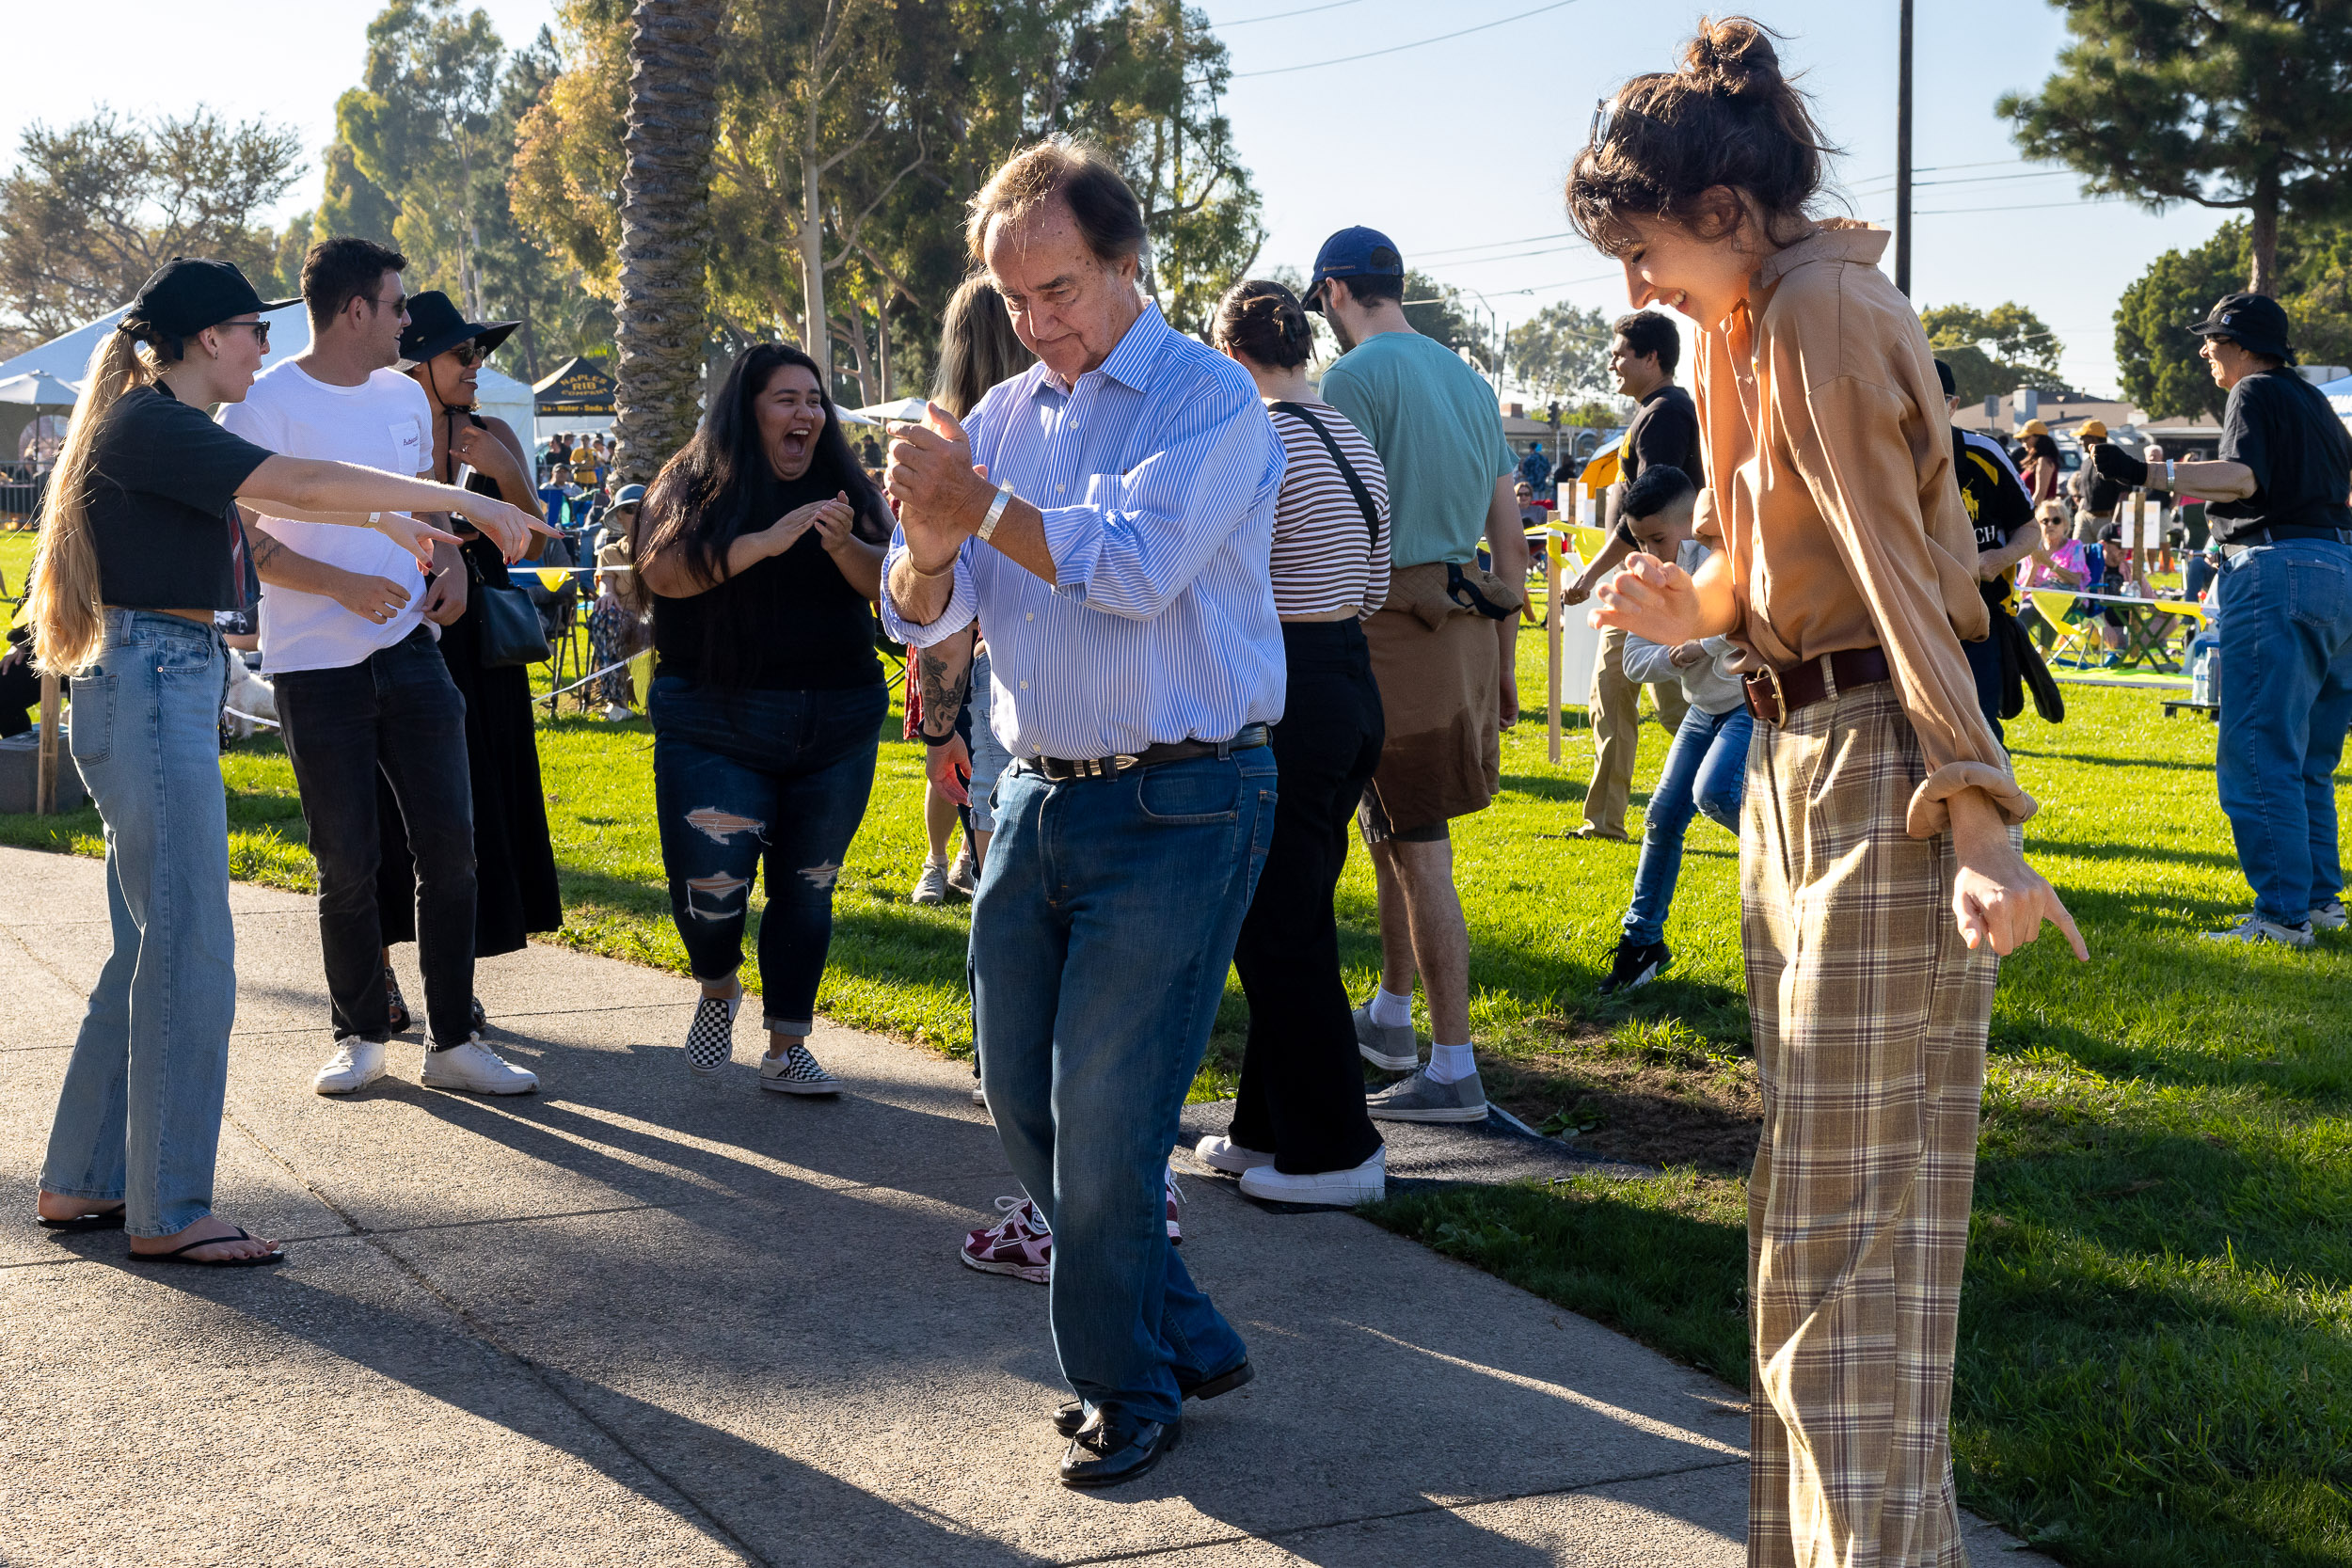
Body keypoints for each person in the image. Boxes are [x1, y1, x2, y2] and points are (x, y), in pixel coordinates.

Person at [1570, 22, 2086, 1565]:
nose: (1635, 289)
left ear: (1724, 208)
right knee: (1814, 1245)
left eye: (1644, 247)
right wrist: (1703, 608)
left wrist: (1980, 820)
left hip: (1881, 771)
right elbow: (1777, 568)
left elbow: (1907, 582)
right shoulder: (1751, 328)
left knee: (1856, 1256)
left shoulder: (1826, 318)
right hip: (1799, 761)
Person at [882, 137, 1278, 1488]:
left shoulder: (1207, 397)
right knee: (1024, 1107)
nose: (1037, 322)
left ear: (1124, 260)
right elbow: (921, 606)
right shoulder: (1001, 418)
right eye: (1014, 300)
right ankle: (1182, 1330)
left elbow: (1138, 565)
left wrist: (976, 508)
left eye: (1058, 289)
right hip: (1038, 794)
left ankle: (1126, 1384)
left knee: (1107, 1123)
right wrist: (932, 547)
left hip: (1184, 795)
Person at [29, 256, 539, 1263]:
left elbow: (297, 502)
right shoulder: (157, 422)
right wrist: (464, 501)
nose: (267, 344)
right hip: (152, 684)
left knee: (146, 949)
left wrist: (403, 518)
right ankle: (169, 1210)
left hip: (152, 679)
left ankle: (82, 1179)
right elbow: (299, 482)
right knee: (190, 955)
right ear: (208, 339)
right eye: (252, 329)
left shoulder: (162, 426)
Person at [220, 238, 547, 1098]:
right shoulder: (259, 403)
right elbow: (256, 543)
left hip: (411, 652)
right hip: (312, 665)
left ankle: (453, 1038)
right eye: (399, 306)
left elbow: (418, 509)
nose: (410, 321)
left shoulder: (404, 396)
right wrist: (339, 582)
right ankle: (360, 1032)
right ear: (354, 311)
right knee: (348, 862)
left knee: (454, 847)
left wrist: (445, 571)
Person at [1310, 224, 1530, 1124]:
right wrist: (1508, 666)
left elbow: (1334, 514)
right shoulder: (1469, 378)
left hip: (1389, 629)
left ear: (1331, 294)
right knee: (1393, 833)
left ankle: (1453, 1068)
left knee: (1421, 849)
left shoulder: (1351, 380)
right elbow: (1509, 540)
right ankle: (1395, 1018)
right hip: (1464, 634)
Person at [632, 342, 889, 1090]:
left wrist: (844, 546)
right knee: (710, 887)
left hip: (836, 723)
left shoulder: (849, 486)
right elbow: (660, 571)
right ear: (749, 409)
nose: (805, 413)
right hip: (717, 721)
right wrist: (764, 543)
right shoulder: (694, 479)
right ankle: (718, 981)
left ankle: (787, 1044)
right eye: (787, 399)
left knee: (808, 886)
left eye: (814, 400)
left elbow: (889, 586)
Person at [1194, 278, 1392, 1205]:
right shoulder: (1352, 437)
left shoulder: (1255, 435)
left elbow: (1224, 569)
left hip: (1291, 690)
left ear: (1230, 356)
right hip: (1351, 679)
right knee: (1288, 914)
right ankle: (1262, 1128)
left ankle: (1336, 1150)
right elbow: (1377, 578)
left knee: (1280, 927)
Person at [2096, 292, 2352, 946]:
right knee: (2310, 758)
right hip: (2338, 569)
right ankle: (2322, 901)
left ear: (2241, 344)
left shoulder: (2255, 392)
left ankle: (2282, 916)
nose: (2206, 350)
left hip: (2275, 567)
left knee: (2259, 748)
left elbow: (2241, 478)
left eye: (2212, 339)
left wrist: (2145, 472)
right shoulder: (2317, 403)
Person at [370, 292, 564, 1030]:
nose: (476, 364)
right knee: (389, 809)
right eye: (461, 353)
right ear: (420, 360)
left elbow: (540, 539)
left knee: (472, 808)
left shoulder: (492, 429)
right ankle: (381, 974)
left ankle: (451, 977)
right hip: (395, 628)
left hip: (480, 647)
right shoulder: (382, 426)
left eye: (479, 351)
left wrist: (499, 473)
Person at [1596, 465, 1749, 993]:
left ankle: (1793, 865)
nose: (1652, 552)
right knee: (1661, 816)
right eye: (1640, 540)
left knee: (1716, 793)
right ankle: (1642, 944)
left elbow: (1747, 624)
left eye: (1660, 537)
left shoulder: (1724, 554)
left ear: (1693, 519)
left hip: (1749, 699)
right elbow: (1635, 662)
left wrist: (1699, 642)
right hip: (1704, 707)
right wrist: (1679, 651)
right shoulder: (1646, 574)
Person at [914, 274, 1037, 909]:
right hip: (1023, 641)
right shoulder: (1047, 426)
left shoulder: (947, 439)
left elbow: (929, 588)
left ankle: (973, 883)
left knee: (984, 786)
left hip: (971, 643)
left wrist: (937, 729)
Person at [1561, 309, 1698, 839]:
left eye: (1621, 352)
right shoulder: (1657, 409)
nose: (1612, 362)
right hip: (1650, 576)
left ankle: (1737, 777)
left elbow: (1648, 513)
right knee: (1636, 698)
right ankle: (1606, 819)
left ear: (1652, 357)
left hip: (1650, 578)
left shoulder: (1663, 413)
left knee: (1655, 702)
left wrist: (1591, 576)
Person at [1937, 358, 2039, 741]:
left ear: (1953, 404)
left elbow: (2030, 530)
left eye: (1935, 397)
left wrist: (1997, 558)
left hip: (1982, 614)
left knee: (1981, 723)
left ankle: (1996, 797)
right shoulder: (1889, 456)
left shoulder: (1985, 454)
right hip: (1915, 612)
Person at [589, 482, 650, 721]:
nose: (635, 515)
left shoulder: (667, 547)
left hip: (659, 616)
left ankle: (652, 697)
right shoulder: (609, 552)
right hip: (623, 618)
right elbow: (606, 588)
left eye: (640, 508)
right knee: (604, 616)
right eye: (629, 510)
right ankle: (617, 703)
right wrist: (606, 594)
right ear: (618, 516)